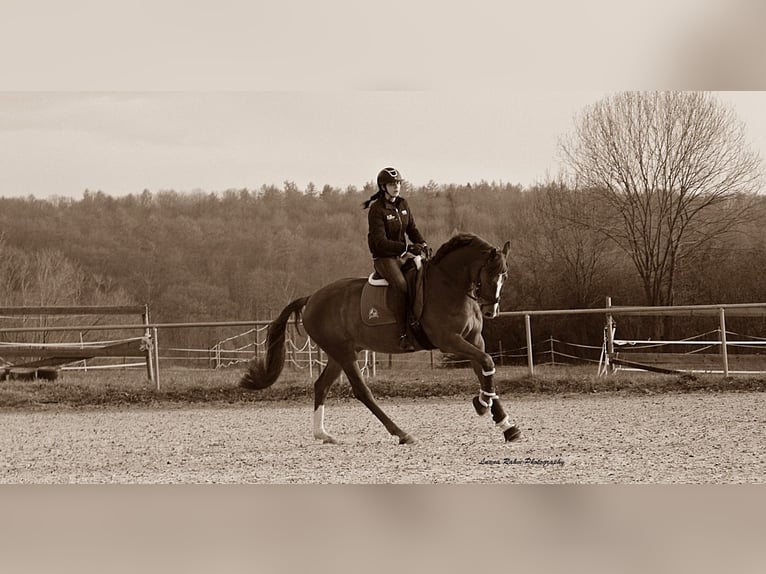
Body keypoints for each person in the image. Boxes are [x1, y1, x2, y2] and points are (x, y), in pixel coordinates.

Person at [363, 167, 428, 351]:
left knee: (421, 278)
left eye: (398, 183)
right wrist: (407, 247)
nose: (396, 187)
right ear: (383, 187)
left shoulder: (403, 204)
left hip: (401, 256)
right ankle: (403, 332)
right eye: (392, 184)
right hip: (384, 258)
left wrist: (421, 242)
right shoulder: (376, 210)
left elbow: (412, 229)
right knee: (401, 285)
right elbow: (381, 242)